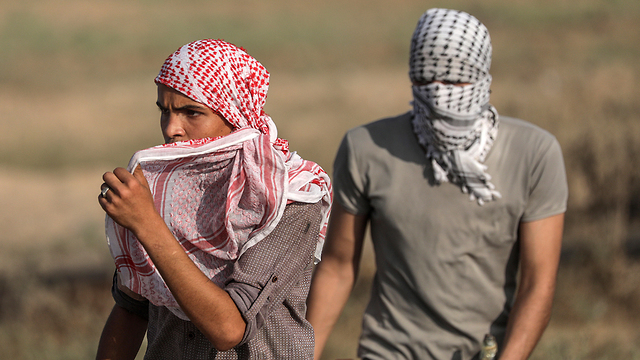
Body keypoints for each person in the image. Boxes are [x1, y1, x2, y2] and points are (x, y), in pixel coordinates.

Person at [306, 8, 567, 360]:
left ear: (482, 78)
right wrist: (304, 353)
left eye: (456, 81)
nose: (440, 94)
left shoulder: (534, 154)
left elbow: (538, 283)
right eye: (427, 81)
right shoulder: (367, 149)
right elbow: (337, 266)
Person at [96, 39, 331, 360]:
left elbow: (228, 329)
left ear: (233, 114)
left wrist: (147, 224)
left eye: (191, 112)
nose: (172, 128)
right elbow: (132, 308)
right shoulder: (159, 187)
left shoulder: (289, 197)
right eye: (164, 111)